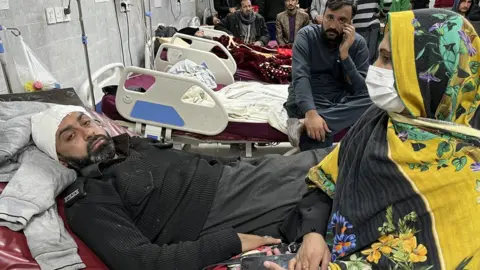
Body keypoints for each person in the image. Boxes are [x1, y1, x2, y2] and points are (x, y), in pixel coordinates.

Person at [267, 9, 480, 270]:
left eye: (388, 59)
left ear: (429, 75)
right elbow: (326, 182)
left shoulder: (464, 177)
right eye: (379, 55)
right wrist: (312, 233)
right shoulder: (378, 121)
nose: (375, 69)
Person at [29, 105, 330, 270]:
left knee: (330, 162)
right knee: (332, 170)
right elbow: (139, 261)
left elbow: (190, 159)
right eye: (71, 137)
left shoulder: (129, 144)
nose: (88, 133)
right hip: (217, 210)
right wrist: (231, 243)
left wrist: (241, 164)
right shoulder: (88, 198)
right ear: (62, 159)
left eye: (87, 123)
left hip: (236, 178)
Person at [284, 0, 372, 151]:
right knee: (318, 134)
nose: (332, 25)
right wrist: (311, 114)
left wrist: (345, 55)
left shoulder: (357, 43)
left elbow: (360, 89)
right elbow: (300, 76)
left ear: (351, 23)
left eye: (342, 20)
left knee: (375, 100)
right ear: (322, 16)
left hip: (338, 96)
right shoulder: (306, 36)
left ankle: (301, 124)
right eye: (329, 17)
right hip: (309, 94)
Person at [353, 0, 391, 64]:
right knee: (367, 61)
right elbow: (388, 2)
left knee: (357, 60)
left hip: (357, 27)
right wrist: (382, 15)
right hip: (369, 26)